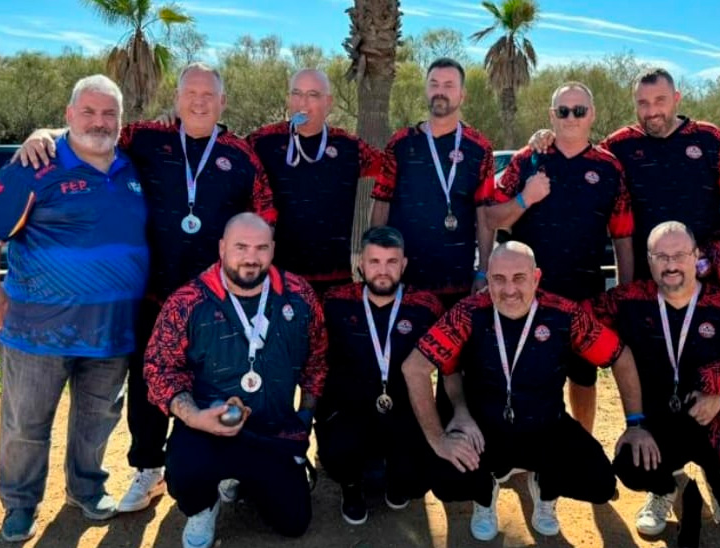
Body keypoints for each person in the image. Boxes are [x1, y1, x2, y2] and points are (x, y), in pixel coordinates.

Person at [15, 62, 276, 513]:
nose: (199, 102)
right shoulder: (146, 137)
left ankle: (223, 464)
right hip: (152, 294)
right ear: (177, 98)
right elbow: (93, 133)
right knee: (147, 384)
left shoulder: (242, 155)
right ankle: (149, 468)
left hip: (216, 300)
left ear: (223, 102)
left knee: (219, 378)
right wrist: (45, 134)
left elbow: (267, 219)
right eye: (191, 93)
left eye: (208, 95)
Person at [0, 75, 150, 542]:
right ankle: (20, 504)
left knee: (97, 420)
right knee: (26, 426)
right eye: (88, 112)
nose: (99, 122)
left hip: (111, 331)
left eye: (109, 113)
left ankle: (85, 489)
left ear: (121, 120)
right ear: (69, 115)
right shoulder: (35, 165)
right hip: (36, 332)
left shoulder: (133, 167)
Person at [402, 242, 649, 542]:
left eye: (519, 278)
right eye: (499, 279)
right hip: (485, 431)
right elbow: (414, 368)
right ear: (488, 278)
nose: (509, 290)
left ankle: (545, 485)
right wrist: (439, 438)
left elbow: (620, 356)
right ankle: (485, 494)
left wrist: (635, 423)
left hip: (545, 425)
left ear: (536, 278)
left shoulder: (564, 314)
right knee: (445, 479)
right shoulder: (468, 312)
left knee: (599, 483)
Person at [589, 221, 720, 548]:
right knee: (630, 465)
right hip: (659, 424)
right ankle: (663, 489)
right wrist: (635, 425)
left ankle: (716, 482)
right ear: (649, 260)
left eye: (679, 255)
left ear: (696, 257)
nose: (670, 265)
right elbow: (571, 320)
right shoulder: (627, 301)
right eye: (661, 257)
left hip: (713, 420)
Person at [531, 66, 720, 340]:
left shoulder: (710, 139)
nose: (652, 110)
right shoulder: (619, 145)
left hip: (704, 277)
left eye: (660, 100)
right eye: (643, 103)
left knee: (709, 353)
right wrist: (547, 136)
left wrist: (719, 252)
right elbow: (580, 150)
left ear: (676, 98)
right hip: (646, 282)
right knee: (650, 357)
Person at [143, 213, 327, 548]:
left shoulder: (300, 295)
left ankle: (241, 481)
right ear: (222, 248)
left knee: (294, 522)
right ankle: (203, 505)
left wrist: (304, 415)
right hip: (207, 429)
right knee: (185, 470)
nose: (251, 258)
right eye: (241, 247)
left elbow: (317, 360)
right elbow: (159, 368)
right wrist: (195, 417)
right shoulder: (187, 301)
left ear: (273, 249)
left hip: (272, 431)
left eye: (261, 248)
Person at [486, 81, 634, 433]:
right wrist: (525, 198)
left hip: (585, 292)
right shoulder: (527, 160)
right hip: (526, 294)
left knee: (583, 377)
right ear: (551, 115)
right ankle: (526, 446)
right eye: (563, 111)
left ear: (591, 115)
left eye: (578, 111)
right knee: (525, 372)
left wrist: (625, 294)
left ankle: (582, 443)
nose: (571, 118)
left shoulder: (609, 168)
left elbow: (623, 236)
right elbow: (492, 218)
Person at [316, 226, 443, 524]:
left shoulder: (426, 306)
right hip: (351, 409)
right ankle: (351, 487)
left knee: (415, 480)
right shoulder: (334, 301)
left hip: (404, 408)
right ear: (361, 263)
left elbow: (450, 362)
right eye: (374, 261)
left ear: (404, 264)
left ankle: (398, 481)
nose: (382, 271)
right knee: (338, 450)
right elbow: (314, 357)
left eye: (391, 262)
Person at [371, 57, 497, 310]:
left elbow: (484, 215)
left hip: (457, 282)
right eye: (434, 84)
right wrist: (374, 260)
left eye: (449, 85)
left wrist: (484, 270)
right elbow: (382, 203)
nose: (440, 91)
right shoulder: (400, 143)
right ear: (426, 90)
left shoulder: (479, 148)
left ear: (462, 95)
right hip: (403, 282)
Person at [248, 69, 386, 296]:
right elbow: (227, 163)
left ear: (328, 102)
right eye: (296, 94)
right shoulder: (262, 142)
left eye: (313, 95)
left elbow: (390, 168)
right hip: (277, 280)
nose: (303, 103)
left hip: (335, 281)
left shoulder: (349, 147)